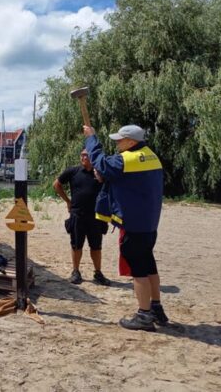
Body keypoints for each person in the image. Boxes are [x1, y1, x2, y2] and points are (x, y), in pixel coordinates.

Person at [84, 124, 168, 331]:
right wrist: (106, 176)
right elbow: (128, 180)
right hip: (149, 223)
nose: (117, 144)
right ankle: (156, 307)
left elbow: (102, 163)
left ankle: (144, 315)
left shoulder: (127, 160)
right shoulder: (152, 156)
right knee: (149, 266)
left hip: (134, 224)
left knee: (138, 271)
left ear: (131, 142)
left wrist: (91, 138)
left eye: (120, 140)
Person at [53, 148, 111, 286]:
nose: (84, 157)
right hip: (77, 215)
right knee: (76, 245)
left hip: (96, 216)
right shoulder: (73, 171)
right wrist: (68, 201)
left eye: (87, 155)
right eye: (82, 155)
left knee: (96, 246)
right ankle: (75, 272)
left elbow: (111, 188)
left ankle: (98, 273)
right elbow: (56, 184)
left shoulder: (100, 173)